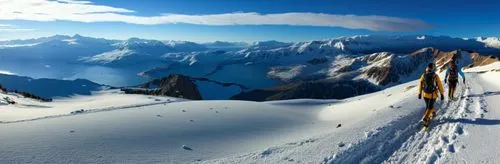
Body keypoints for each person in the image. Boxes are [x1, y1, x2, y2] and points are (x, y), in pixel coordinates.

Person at [418, 63, 444, 128]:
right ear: (433, 68)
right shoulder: (435, 76)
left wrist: (419, 93)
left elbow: (420, 84)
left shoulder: (423, 75)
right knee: (429, 107)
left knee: (428, 106)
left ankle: (432, 114)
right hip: (433, 94)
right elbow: (439, 85)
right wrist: (441, 94)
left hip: (425, 94)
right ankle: (426, 119)